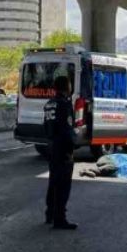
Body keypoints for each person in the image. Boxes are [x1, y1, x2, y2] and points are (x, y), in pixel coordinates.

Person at [43, 75, 77, 230]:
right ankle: (60, 218)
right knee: (63, 185)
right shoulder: (64, 104)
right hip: (63, 148)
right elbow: (67, 129)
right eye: (69, 84)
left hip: (52, 146)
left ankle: (50, 213)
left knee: (53, 182)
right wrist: (71, 148)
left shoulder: (49, 103)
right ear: (66, 86)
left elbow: (46, 126)